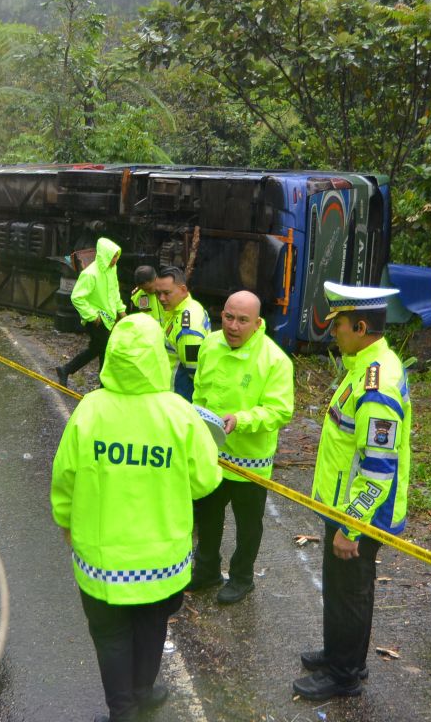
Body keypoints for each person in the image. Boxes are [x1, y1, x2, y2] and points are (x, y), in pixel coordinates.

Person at [51, 314, 222, 722]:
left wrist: (65, 523)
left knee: (110, 635)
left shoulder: (89, 410)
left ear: (111, 356)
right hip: (162, 556)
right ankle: (144, 691)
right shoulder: (179, 414)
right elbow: (204, 482)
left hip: (102, 555)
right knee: (152, 625)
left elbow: (64, 477)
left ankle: (122, 710)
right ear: (158, 358)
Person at [292, 281, 411, 701]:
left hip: (359, 513)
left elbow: (378, 469)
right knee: (343, 590)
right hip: (344, 506)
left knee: (350, 591)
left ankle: (344, 675)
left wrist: (351, 526)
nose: (332, 331)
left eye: (338, 323)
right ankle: (341, 654)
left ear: (360, 326)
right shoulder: (363, 364)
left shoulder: (376, 385)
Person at [189, 291, 294, 604]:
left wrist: (242, 419)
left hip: (250, 460)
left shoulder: (275, 360)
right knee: (207, 517)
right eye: (228, 317)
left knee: (248, 525)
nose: (233, 326)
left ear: (258, 322)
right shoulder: (209, 345)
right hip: (211, 454)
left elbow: (280, 411)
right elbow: (200, 392)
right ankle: (206, 571)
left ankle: (242, 577)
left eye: (242, 320)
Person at [55, 237, 126, 388]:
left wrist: (121, 311)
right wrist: (92, 316)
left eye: (117, 256)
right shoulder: (90, 274)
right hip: (96, 320)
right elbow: (77, 297)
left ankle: (66, 370)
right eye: (113, 256)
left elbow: (114, 293)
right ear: (105, 255)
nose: (115, 260)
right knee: (104, 350)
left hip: (107, 319)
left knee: (98, 349)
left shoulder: (111, 269)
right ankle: (103, 385)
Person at [153, 265, 211, 401]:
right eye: (158, 293)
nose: (161, 298)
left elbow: (194, 370)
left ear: (183, 290)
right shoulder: (189, 307)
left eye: (166, 293)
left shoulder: (187, 329)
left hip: (179, 395)